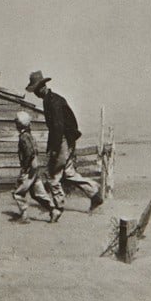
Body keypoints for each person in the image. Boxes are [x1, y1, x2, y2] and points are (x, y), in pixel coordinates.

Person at [24, 71, 103, 222]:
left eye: (35, 90)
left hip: (63, 140)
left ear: (41, 87)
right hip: (66, 139)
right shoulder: (50, 100)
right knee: (69, 173)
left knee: (53, 176)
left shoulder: (53, 102)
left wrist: (54, 150)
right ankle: (94, 193)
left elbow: (58, 128)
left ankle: (58, 208)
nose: (35, 94)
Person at [11, 111, 53, 222]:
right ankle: (53, 209)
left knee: (18, 192)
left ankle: (24, 215)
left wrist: (25, 167)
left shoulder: (23, 137)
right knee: (38, 193)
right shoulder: (30, 136)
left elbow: (29, 153)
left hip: (29, 169)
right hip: (35, 168)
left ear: (19, 124)